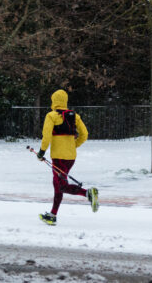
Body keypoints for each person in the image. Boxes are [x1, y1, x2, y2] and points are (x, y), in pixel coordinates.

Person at [36, 89, 98, 225]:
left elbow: (46, 137)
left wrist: (41, 152)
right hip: (71, 157)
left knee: (61, 186)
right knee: (58, 185)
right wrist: (73, 145)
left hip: (58, 157)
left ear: (54, 101)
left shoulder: (51, 116)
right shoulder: (74, 116)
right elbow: (85, 134)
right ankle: (52, 215)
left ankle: (87, 193)